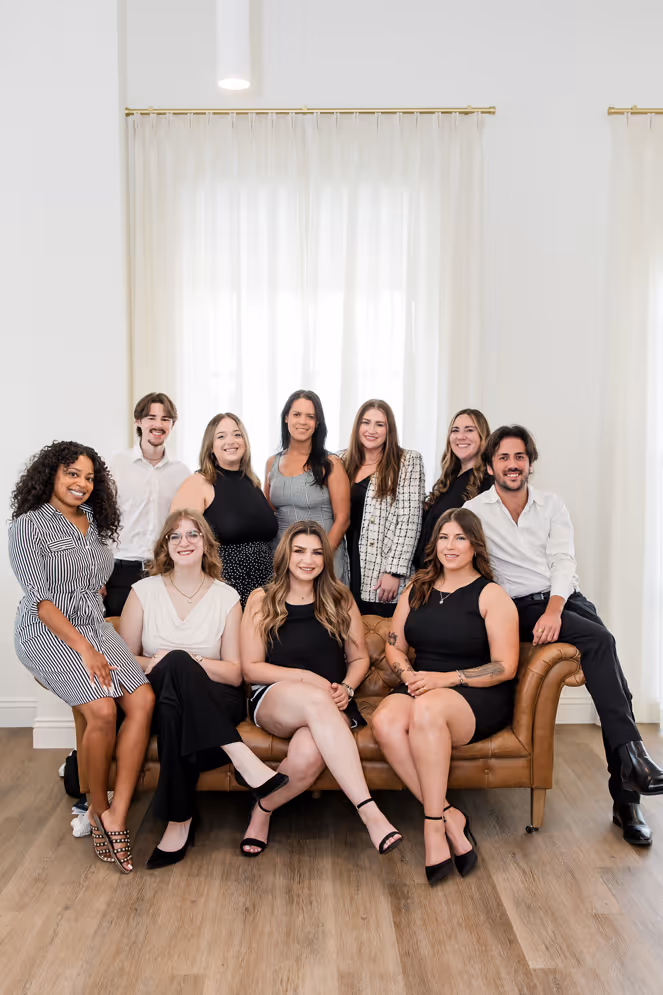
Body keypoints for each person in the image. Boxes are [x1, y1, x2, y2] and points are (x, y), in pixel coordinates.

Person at [465, 425, 663, 847]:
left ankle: (626, 795)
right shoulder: (476, 511)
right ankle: (633, 767)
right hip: (519, 607)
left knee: (619, 691)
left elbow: (562, 562)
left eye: (519, 457)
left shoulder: (552, 505)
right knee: (603, 643)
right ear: (489, 466)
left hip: (564, 599)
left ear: (529, 464)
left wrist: (556, 609)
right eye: (503, 458)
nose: (512, 464)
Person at [8, 442, 154, 873]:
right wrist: (86, 649)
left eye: (89, 477)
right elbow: (41, 600)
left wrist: (94, 591)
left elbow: (93, 577)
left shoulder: (90, 520)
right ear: (51, 474)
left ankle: (117, 812)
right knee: (104, 712)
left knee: (142, 701)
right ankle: (94, 807)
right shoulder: (28, 526)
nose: (81, 484)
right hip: (47, 629)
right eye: (73, 473)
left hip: (92, 622)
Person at [119, 509, 288, 869]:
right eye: (175, 536)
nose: (184, 542)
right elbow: (127, 660)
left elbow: (234, 674)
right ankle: (240, 756)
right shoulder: (142, 591)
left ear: (206, 544)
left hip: (217, 697)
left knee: (177, 680)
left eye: (193, 535)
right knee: (170, 695)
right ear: (165, 545)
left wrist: (188, 660)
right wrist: (167, 662)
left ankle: (179, 823)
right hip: (157, 692)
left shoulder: (226, 596)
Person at [371, 509, 518, 885]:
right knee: (385, 720)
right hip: (424, 684)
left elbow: (504, 667)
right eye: (443, 538)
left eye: (460, 538)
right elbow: (395, 647)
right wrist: (410, 676)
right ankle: (451, 814)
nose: (450, 546)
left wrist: (447, 679)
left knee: (429, 710)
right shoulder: (415, 589)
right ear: (434, 544)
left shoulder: (490, 594)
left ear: (474, 545)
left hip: (473, 692)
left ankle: (433, 827)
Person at [239, 520, 403, 858]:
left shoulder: (339, 598)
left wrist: (347, 687)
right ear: (285, 554)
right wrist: (306, 678)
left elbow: (358, 659)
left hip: (332, 701)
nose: (308, 560)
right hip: (275, 698)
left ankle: (262, 810)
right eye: (299, 551)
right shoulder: (262, 598)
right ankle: (368, 810)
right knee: (315, 699)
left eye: (316, 552)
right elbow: (250, 668)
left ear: (325, 559)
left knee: (308, 753)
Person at [170, 413, 278, 607]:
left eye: (237, 435)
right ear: (211, 447)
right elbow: (177, 541)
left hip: (264, 591)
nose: (231, 441)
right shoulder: (199, 483)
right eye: (221, 436)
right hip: (222, 590)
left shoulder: (253, 483)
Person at [105, 392, 190, 616]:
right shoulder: (116, 464)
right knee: (119, 642)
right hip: (120, 570)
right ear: (138, 421)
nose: (158, 424)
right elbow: (97, 520)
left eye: (165, 419)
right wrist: (96, 576)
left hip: (166, 570)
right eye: (151, 417)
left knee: (160, 643)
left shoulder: (182, 473)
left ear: (173, 424)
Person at [342, 399, 425, 617]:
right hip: (346, 560)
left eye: (380, 424)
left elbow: (410, 519)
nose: (371, 430)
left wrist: (394, 571)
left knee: (382, 633)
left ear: (389, 430)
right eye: (366, 422)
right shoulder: (340, 460)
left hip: (381, 566)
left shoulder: (407, 461)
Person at [265, 390, 350, 583]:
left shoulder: (331, 463)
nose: (302, 421)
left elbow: (343, 519)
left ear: (317, 423)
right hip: (284, 561)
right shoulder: (272, 463)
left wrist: (320, 557)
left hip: (322, 561)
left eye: (310, 416)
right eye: (296, 414)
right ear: (286, 418)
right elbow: (269, 515)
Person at [414, 408, 492, 570]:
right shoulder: (447, 480)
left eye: (469, 430)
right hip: (429, 575)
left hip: (456, 577)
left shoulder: (488, 483)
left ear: (482, 437)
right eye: (455, 430)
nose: (460, 436)